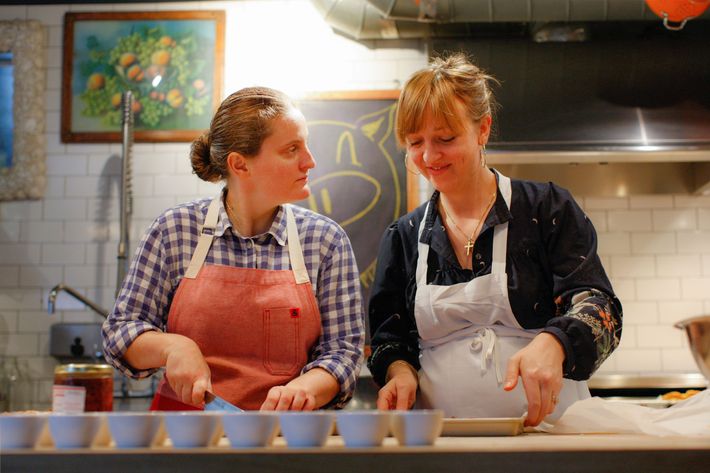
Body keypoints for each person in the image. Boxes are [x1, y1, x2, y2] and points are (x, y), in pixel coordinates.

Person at [367, 54, 622, 427]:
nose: (429, 155)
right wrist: (399, 371)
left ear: (483, 129)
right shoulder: (404, 235)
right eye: (415, 142)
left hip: (553, 434)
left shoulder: (546, 209)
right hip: (441, 439)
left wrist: (556, 342)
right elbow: (390, 337)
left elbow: (601, 309)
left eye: (445, 138)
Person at [103, 87, 365, 411]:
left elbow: (344, 351)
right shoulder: (175, 231)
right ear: (240, 165)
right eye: (291, 149)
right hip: (187, 442)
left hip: (285, 439)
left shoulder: (325, 241)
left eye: (305, 146)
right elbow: (120, 333)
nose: (309, 161)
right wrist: (173, 348)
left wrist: (306, 388)